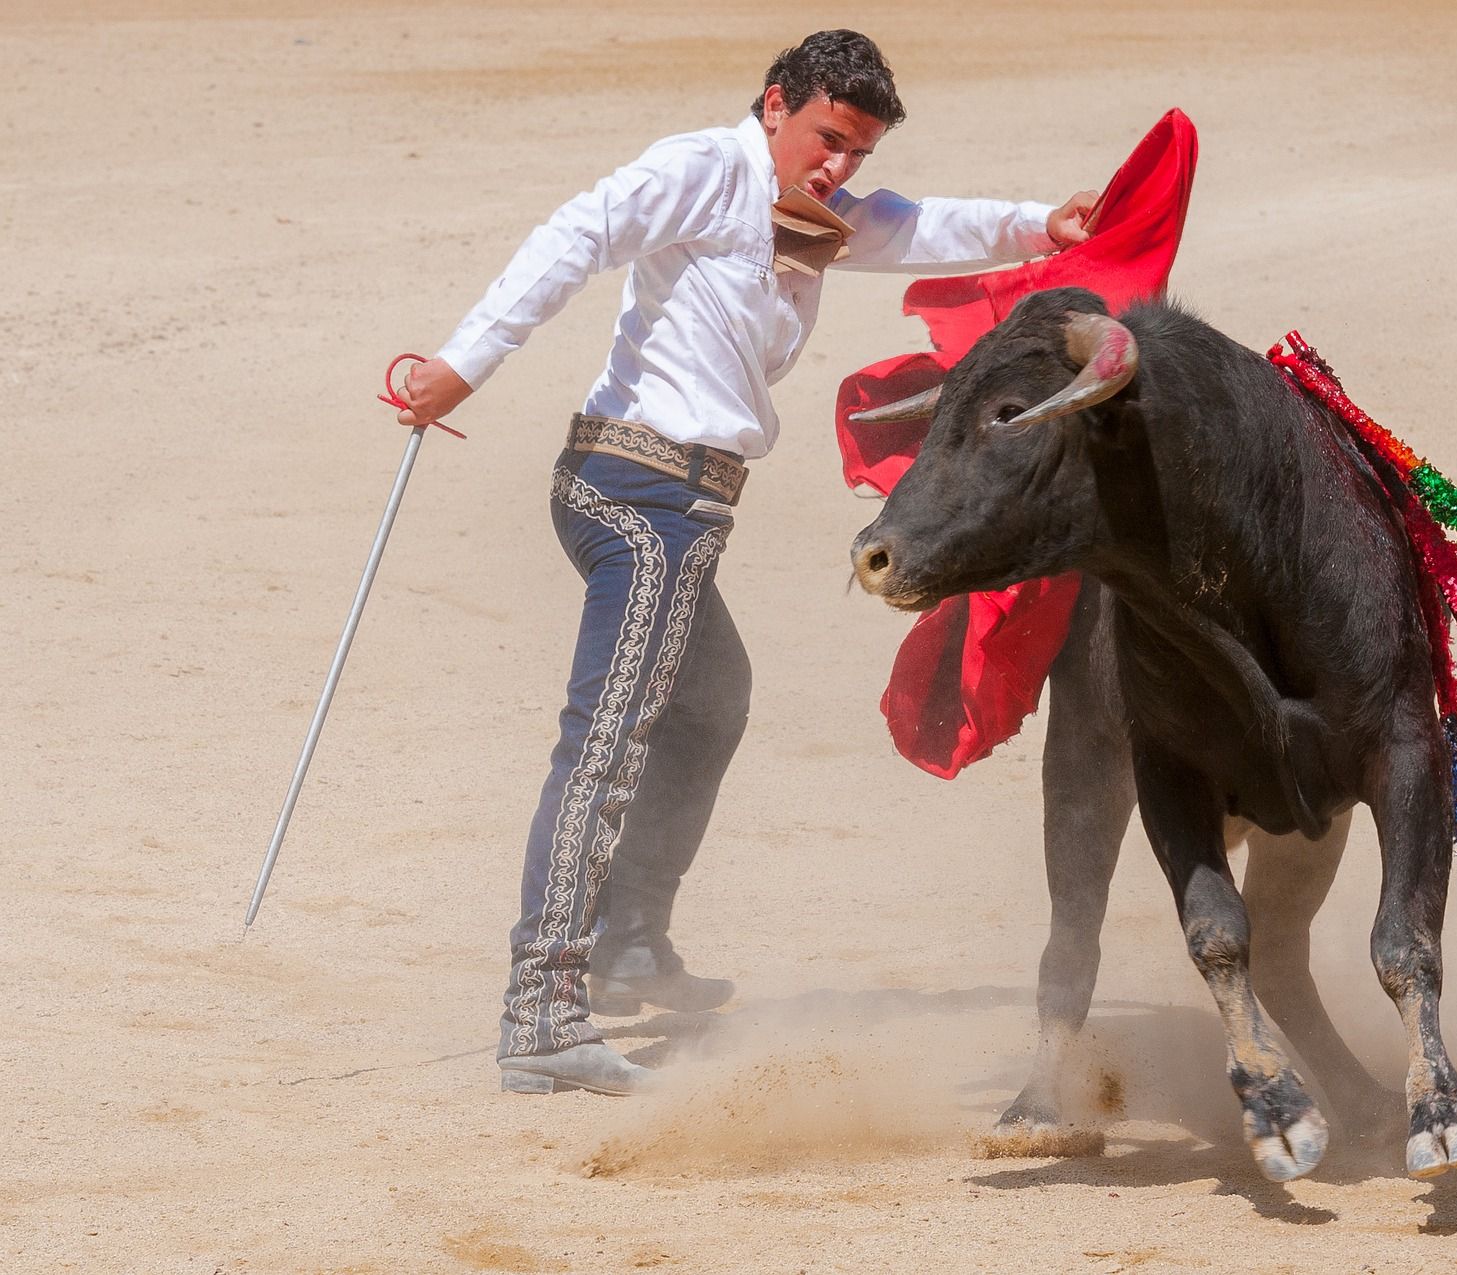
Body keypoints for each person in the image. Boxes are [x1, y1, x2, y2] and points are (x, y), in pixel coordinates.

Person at [394, 29, 1097, 1096]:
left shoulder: (809, 211)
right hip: (644, 495)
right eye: (826, 139)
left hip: (675, 501)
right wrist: (463, 365)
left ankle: (630, 938)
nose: (838, 167)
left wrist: (1038, 227)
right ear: (776, 104)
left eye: (855, 151)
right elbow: (576, 234)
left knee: (710, 699)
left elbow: (911, 225)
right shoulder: (704, 169)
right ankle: (540, 1013)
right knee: (610, 742)